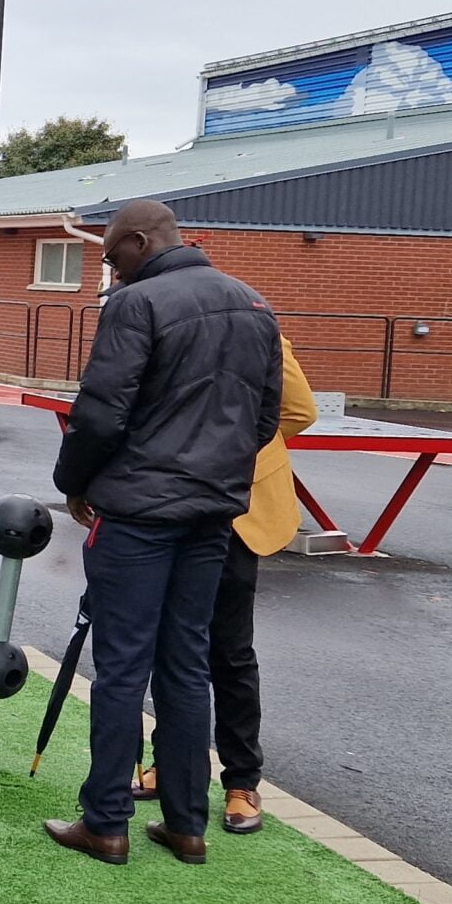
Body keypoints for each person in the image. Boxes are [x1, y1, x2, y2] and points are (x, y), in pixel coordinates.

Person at [44, 200, 280, 867]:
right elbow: (263, 418)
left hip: (139, 513)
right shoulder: (254, 306)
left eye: (113, 256)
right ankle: (187, 824)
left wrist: (76, 482)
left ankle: (107, 823)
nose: (111, 272)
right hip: (212, 514)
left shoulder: (136, 305)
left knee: (121, 666)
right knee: (186, 665)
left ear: (142, 243)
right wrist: (215, 473)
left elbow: (100, 413)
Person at [132, 335, 318, 834]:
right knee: (171, 646)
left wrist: (235, 444)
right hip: (168, 502)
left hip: (236, 509)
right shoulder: (160, 329)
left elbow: (299, 411)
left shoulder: (262, 336)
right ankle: (171, 763)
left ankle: (242, 781)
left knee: (228, 650)